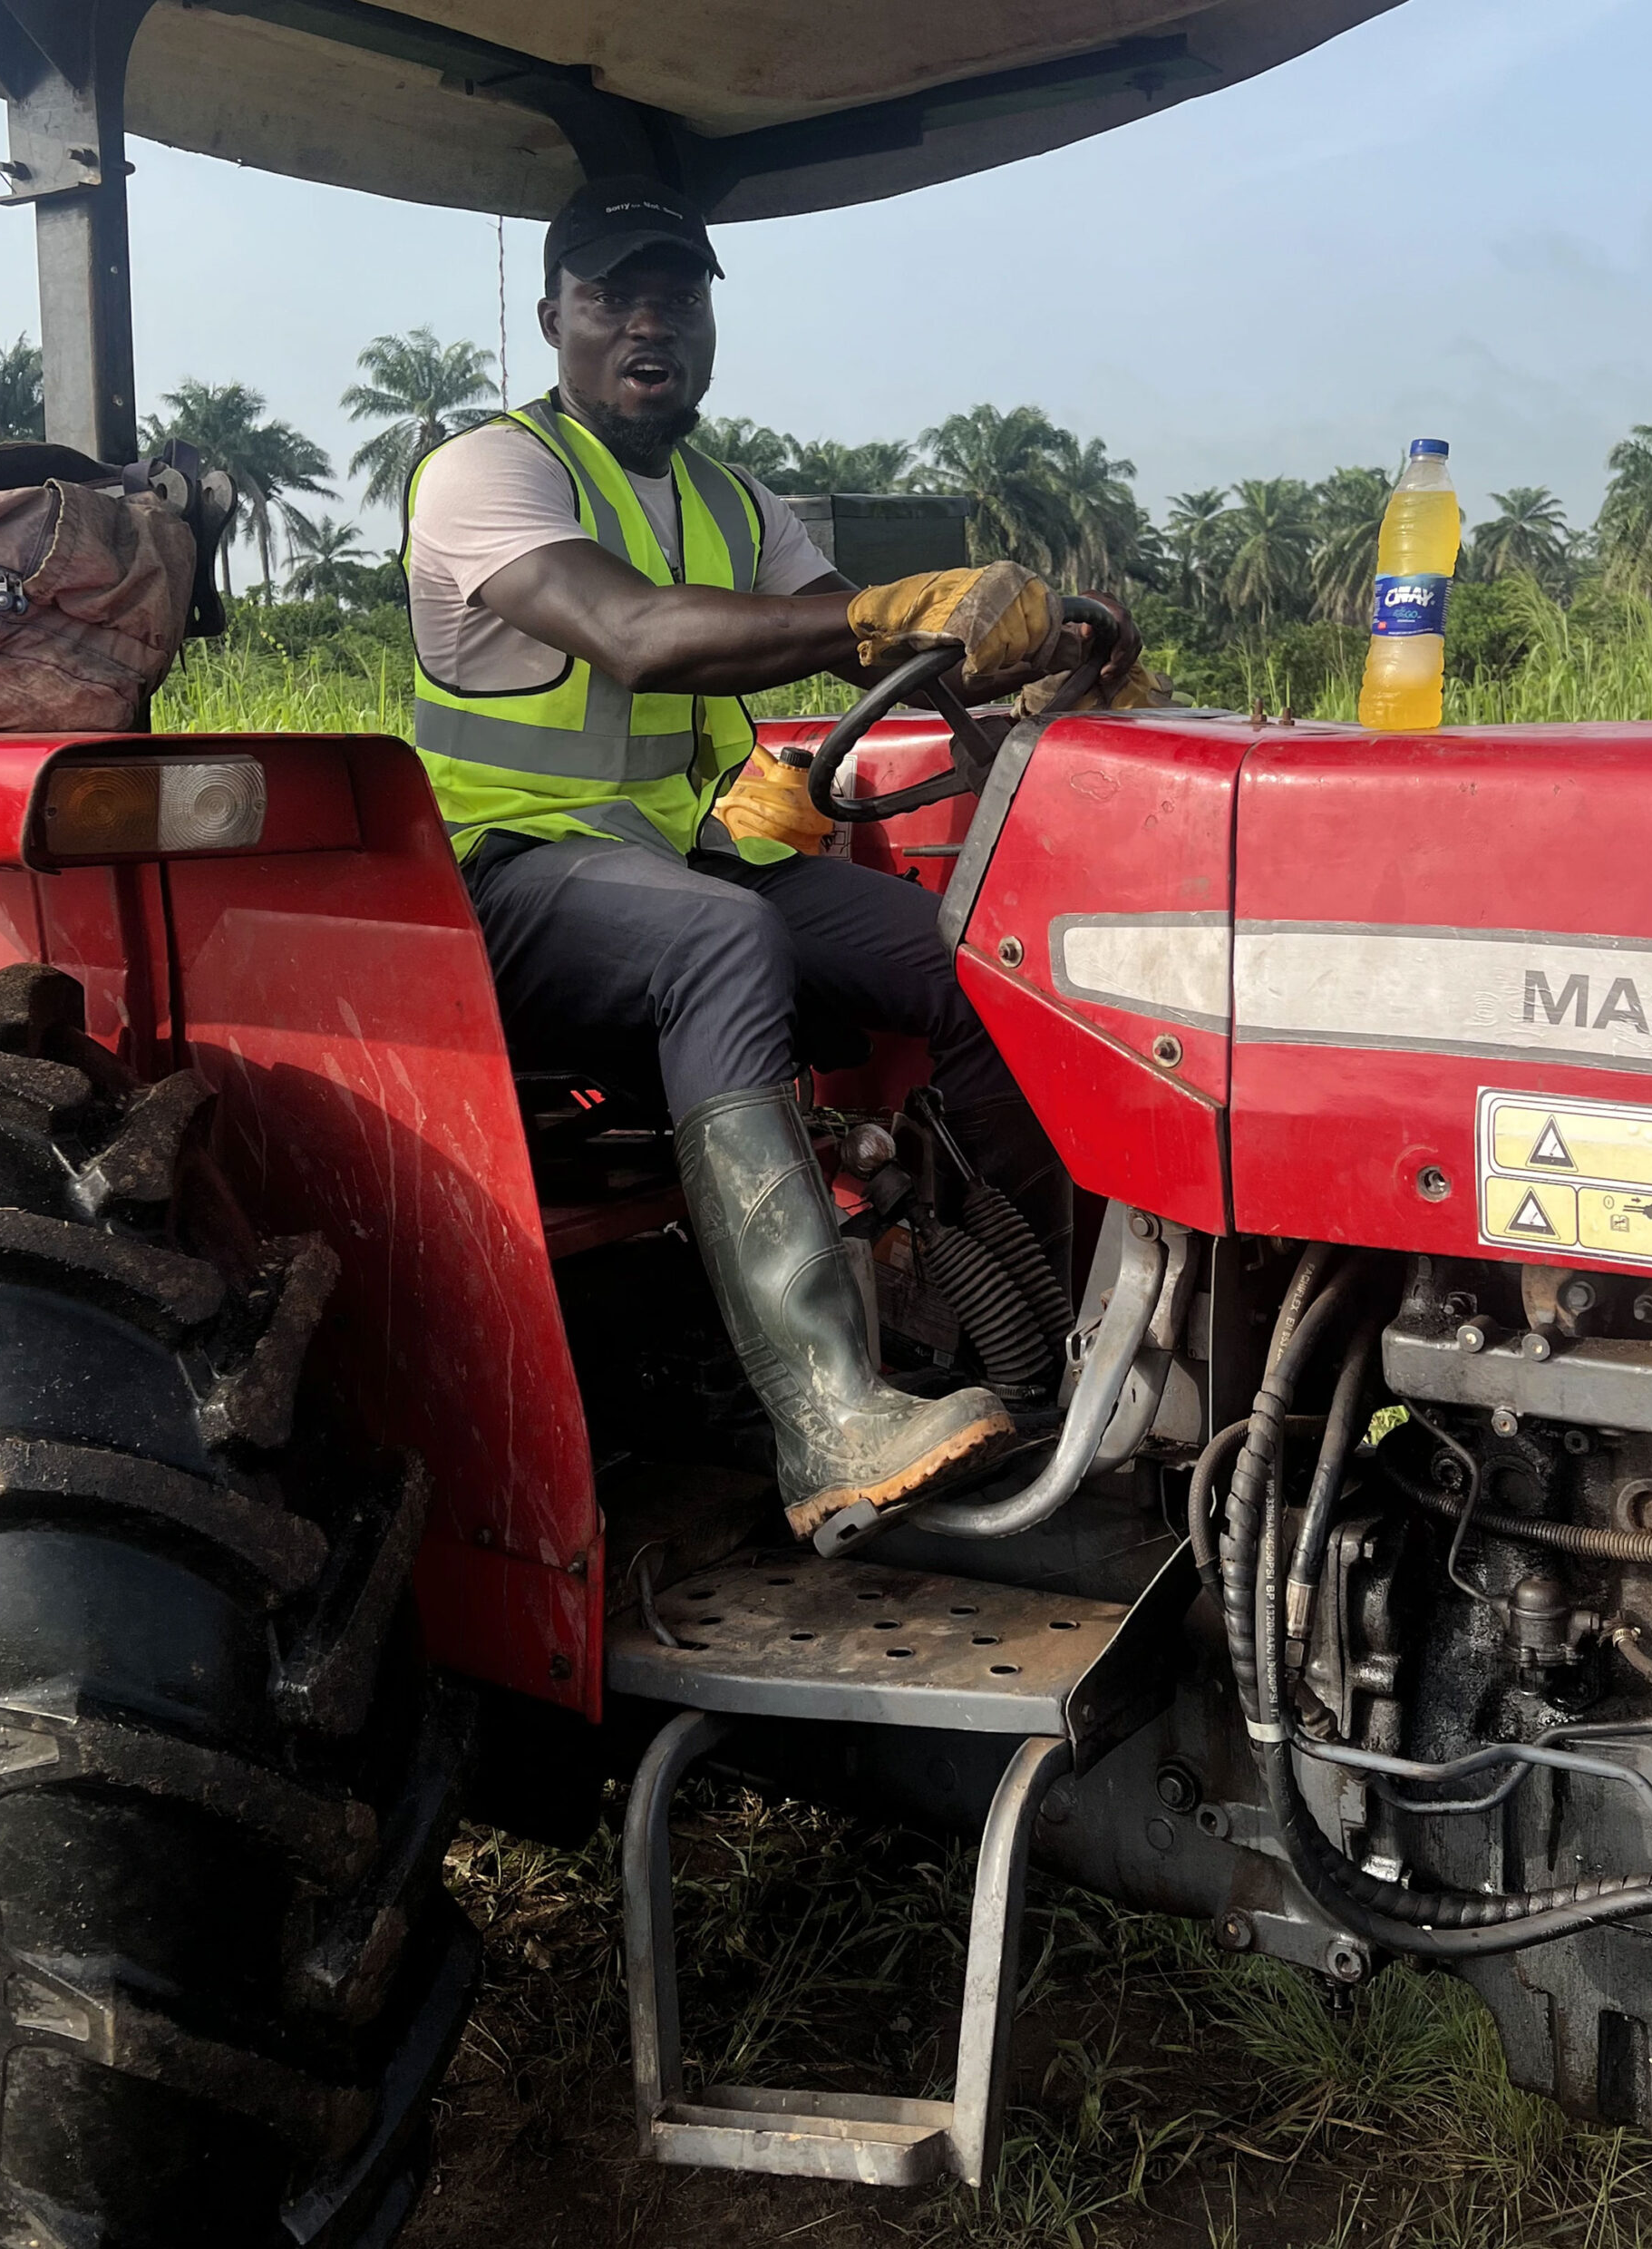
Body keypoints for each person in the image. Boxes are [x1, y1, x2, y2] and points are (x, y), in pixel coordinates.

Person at [405, 176, 1142, 1544]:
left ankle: (1049, 1349)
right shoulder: (488, 474)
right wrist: (878, 613)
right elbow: (634, 633)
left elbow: (876, 643)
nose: (649, 322)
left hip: (680, 858)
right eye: (614, 295)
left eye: (676, 297)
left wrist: (1044, 662)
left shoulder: (731, 500)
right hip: (500, 878)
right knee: (720, 940)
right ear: (554, 317)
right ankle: (829, 1419)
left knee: (978, 959)